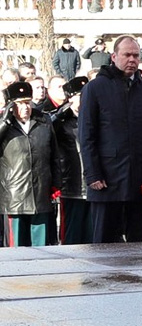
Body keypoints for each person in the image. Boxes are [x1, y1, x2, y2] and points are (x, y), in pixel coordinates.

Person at [77, 36, 142, 243]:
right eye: (127, 55)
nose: (132, 60)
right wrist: (93, 174)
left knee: (140, 246)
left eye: (136, 55)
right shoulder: (95, 88)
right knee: (105, 245)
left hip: (140, 179)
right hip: (106, 181)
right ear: (114, 56)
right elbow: (86, 135)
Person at [0, 80, 55, 246]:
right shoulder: (5, 126)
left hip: (40, 195)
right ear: (11, 106)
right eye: (19, 104)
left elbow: (55, 155)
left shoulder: (43, 122)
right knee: (17, 248)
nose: (25, 107)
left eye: (27, 102)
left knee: (42, 246)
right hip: (14, 197)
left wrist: (56, 184)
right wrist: (5, 122)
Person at [52, 77, 87, 244]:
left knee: (92, 237)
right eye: (80, 95)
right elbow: (48, 135)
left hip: (94, 184)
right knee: (71, 236)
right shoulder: (62, 120)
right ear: (71, 97)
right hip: (72, 184)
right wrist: (61, 114)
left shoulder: (95, 117)